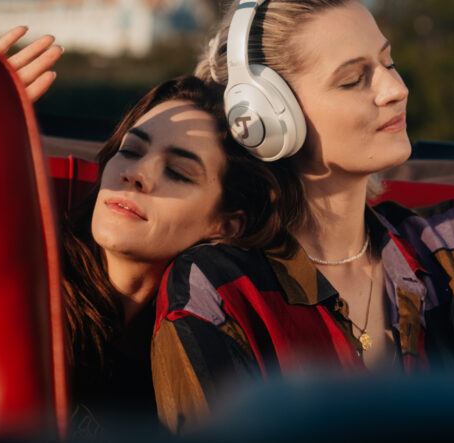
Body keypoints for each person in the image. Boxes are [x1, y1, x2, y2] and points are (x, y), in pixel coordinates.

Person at [150, 0, 454, 433]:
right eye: (353, 79)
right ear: (264, 118)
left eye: (388, 62)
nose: (396, 89)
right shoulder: (219, 292)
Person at [56, 75, 288, 436]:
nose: (136, 175)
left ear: (226, 225)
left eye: (178, 172)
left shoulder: (201, 347)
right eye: (130, 151)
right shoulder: (27, 277)